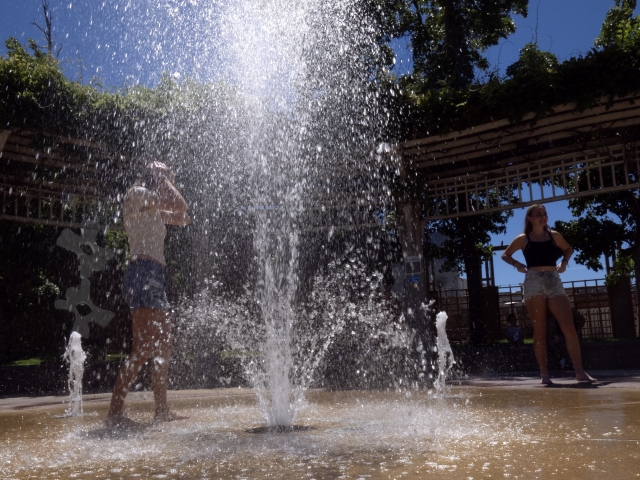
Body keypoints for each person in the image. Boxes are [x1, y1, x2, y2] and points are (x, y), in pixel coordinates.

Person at [106, 161, 191, 429]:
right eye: (162, 173)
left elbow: (182, 217)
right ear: (152, 175)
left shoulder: (151, 206)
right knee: (142, 349)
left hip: (155, 276)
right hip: (143, 273)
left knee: (163, 345)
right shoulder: (137, 194)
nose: (167, 177)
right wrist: (166, 179)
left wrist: (167, 180)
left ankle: (162, 410)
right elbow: (181, 205)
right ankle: (115, 414)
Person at [501, 204, 596, 385]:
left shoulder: (554, 235)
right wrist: (517, 264)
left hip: (554, 279)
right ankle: (544, 374)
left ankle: (579, 372)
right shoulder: (523, 238)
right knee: (540, 329)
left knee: (568, 327)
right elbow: (505, 255)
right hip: (533, 281)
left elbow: (568, 249)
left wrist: (565, 262)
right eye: (538, 214)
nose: (542, 217)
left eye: (544, 214)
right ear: (529, 218)